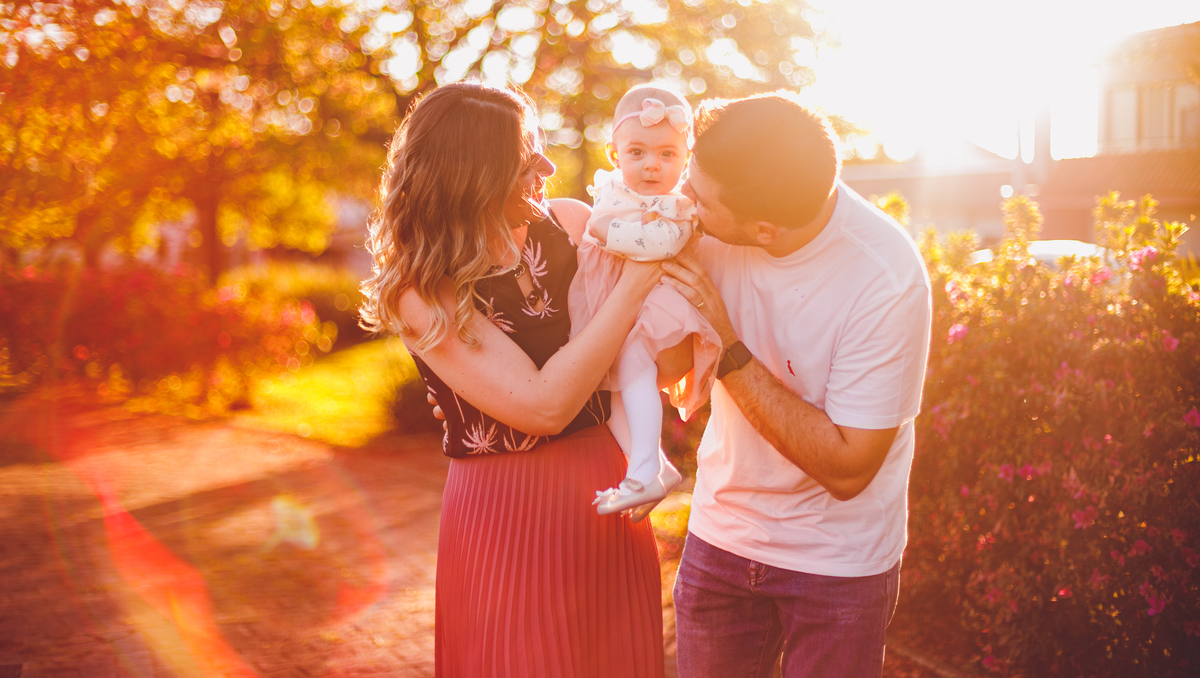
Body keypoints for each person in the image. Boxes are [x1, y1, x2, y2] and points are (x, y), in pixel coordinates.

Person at [360, 83, 665, 678]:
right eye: (527, 155)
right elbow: (543, 407)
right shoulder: (423, 290)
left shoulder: (574, 224)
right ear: (472, 172)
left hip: (604, 491)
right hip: (506, 512)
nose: (548, 166)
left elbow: (658, 336)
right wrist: (632, 289)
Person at [658, 92, 933, 678]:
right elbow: (665, 367)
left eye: (699, 198)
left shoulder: (886, 278)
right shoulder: (704, 226)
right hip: (721, 538)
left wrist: (729, 347)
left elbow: (849, 467)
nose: (684, 201)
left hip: (838, 562)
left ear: (763, 230)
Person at [569, 85, 722, 518]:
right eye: (637, 152)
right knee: (610, 385)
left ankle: (640, 473)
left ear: (686, 158)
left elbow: (662, 244)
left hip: (657, 303)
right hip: (615, 299)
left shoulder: (679, 207)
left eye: (667, 155)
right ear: (614, 154)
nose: (652, 165)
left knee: (634, 361)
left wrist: (606, 231)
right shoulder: (612, 190)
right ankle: (657, 467)